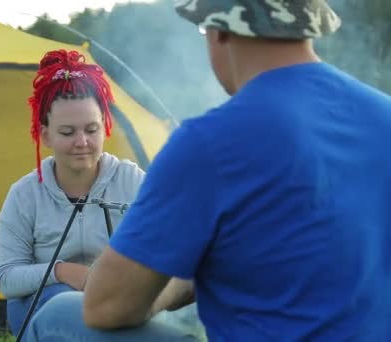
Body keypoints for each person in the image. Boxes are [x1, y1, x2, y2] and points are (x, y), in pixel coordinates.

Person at [25, 0, 391, 341]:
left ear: (220, 31)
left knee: (57, 313)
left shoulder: (211, 142)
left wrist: (184, 271)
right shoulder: (383, 116)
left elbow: (105, 307)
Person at [0, 49, 147, 336]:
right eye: (67, 133)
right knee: (63, 303)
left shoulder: (132, 181)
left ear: (105, 127)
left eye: (92, 129)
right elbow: (7, 278)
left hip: (116, 301)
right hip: (41, 307)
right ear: (45, 135)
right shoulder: (25, 195)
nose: (82, 142)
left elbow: (166, 244)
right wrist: (64, 272)